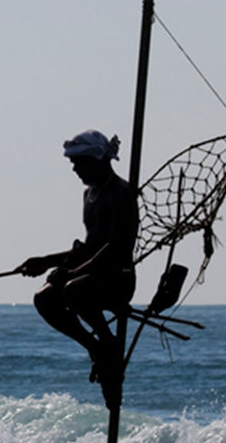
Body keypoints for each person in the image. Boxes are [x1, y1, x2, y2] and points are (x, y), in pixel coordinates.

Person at [18, 130, 139, 384]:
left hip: (117, 279)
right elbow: (88, 247)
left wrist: (71, 273)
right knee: (45, 298)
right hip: (88, 275)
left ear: (97, 159)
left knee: (74, 289)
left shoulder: (120, 193)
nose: (74, 169)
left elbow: (116, 247)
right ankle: (96, 348)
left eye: (78, 162)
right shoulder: (89, 194)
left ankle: (108, 343)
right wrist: (46, 261)